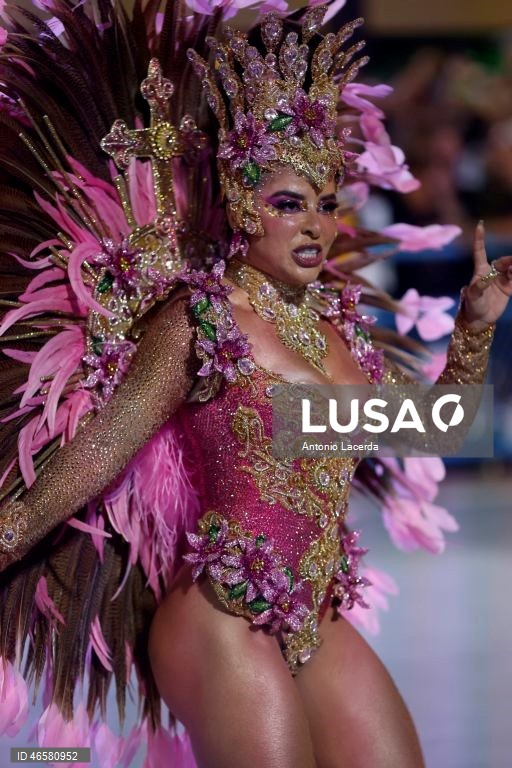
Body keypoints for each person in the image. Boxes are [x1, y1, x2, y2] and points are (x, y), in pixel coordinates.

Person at [1, 2, 511, 767]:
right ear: (242, 205)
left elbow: (436, 431)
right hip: (221, 618)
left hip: (318, 614)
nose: (315, 226)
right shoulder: (201, 321)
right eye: (287, 204)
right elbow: (100, 453)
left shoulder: (338, 331)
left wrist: (474, 327)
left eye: (326, 204)